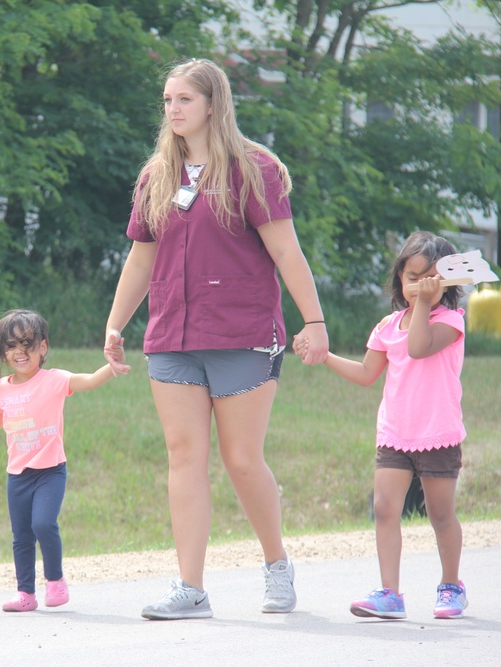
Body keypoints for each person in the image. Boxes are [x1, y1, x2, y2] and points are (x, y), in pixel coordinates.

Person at [102, 58, 329, 621]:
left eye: (183, 99)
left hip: (241, 332)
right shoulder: (157, 175)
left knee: (242, 459)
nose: (172, 109)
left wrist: (315, 322)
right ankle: (191, 588)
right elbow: (142, 255)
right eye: (166, 100)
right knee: (184, 457)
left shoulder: (256, 170)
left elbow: (285, 251)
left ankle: (277, 565)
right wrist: (115, 323)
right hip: (172, 335)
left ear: (212, 104)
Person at [296, 231, 469, 620]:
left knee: (440, 514)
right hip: (395, 433)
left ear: (449, 282)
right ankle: (390, 593)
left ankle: (451, 585)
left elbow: (419, 346)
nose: (420, 285)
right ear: (400, 277)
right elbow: (365, 373)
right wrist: (322, 356)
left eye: (432, 278)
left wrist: (424, 303)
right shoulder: (387, 326)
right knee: (385, 508)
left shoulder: (451, 321)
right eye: (413, 276)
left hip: (437, 433)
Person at [0, 309, 114, 612]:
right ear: (3, 351)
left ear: (42, 348)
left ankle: (55, 582)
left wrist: (112, 366)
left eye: (28, 344)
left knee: (43, 523)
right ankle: (25, 593)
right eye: (12, 345)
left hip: (50, 471)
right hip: (18, 474)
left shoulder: (54, 380)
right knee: (21, 535)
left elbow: (91, 380)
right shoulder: (1, 389)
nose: (20, 352)